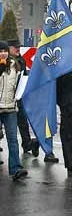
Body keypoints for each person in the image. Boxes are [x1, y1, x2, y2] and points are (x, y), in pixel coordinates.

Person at [0, 40, 28, 181]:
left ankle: (15, 168)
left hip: (10, 108)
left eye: (5, 50)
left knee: (12, 139)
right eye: (1, 51)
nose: (3, 53)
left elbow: (20, 84)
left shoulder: (14, 66)